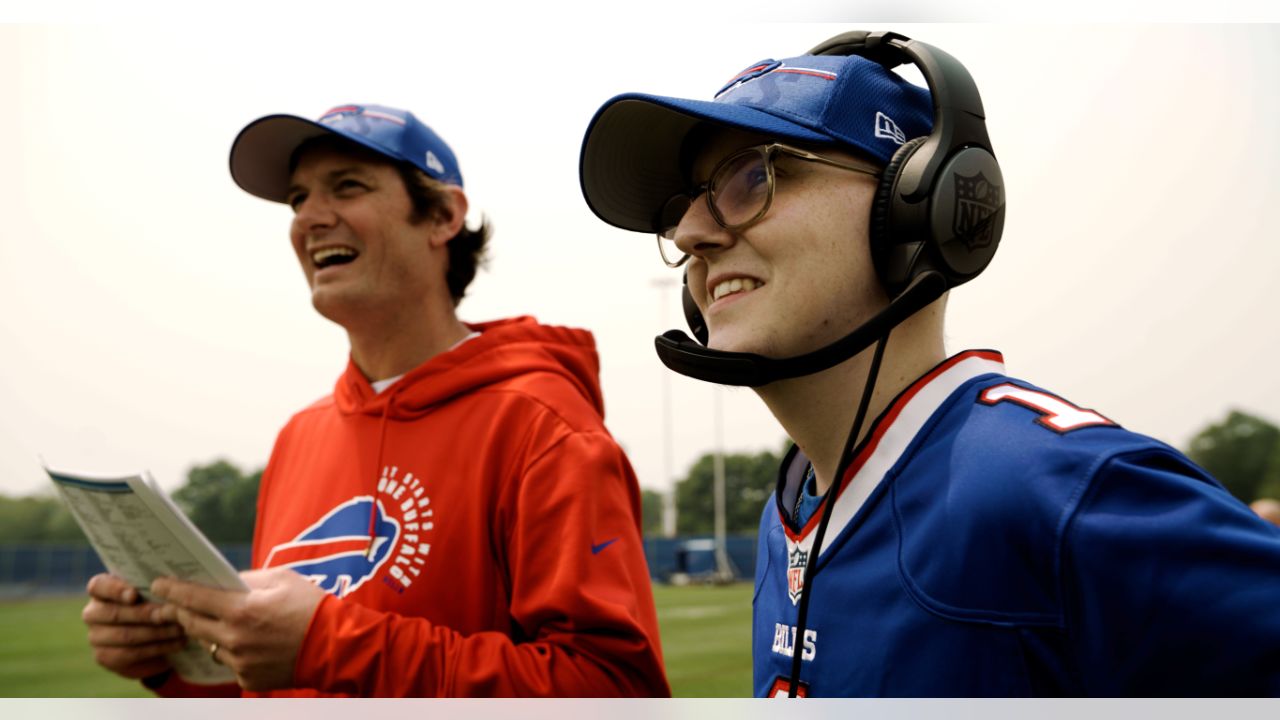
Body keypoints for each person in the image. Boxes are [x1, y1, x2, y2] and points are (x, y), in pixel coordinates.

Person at [578, 30, 1280, 696]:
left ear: (914, 205)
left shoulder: (1061, 492)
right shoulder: (788, 512)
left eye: (750, 178)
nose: (694, 234)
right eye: (685, 207)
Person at [80, 103, 670, 697]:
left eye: (347, 187)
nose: (309, 217)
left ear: (441, 216)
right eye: (297, 199)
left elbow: (614, 689)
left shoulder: (542, 426)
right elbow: (285, 685)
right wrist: (173, 662)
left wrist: (329, 644)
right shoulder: (298, 436)